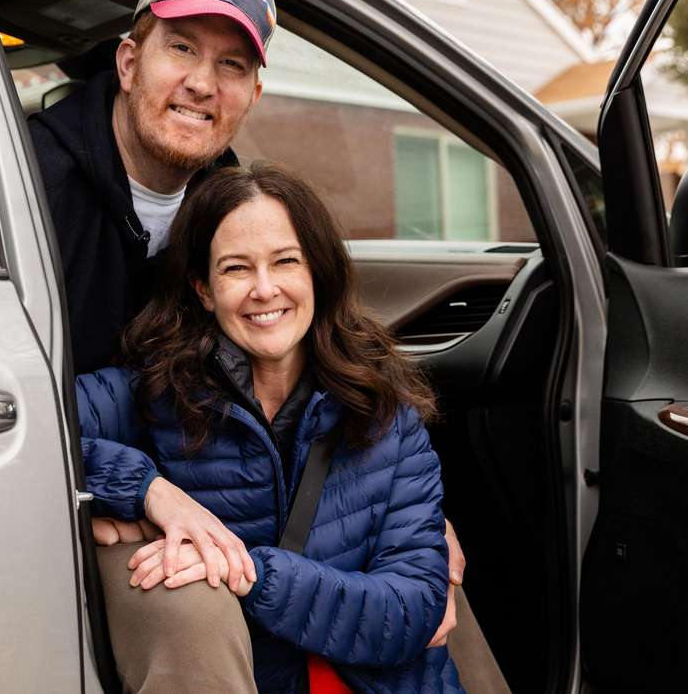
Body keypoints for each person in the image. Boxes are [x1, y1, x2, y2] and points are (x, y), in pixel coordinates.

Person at [30, 0, 499, 692]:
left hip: (217, 523)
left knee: (436, 595)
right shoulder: (25, 190)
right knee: (189, 593)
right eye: (181, 46)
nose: (201, 82)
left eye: (232, 64)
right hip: (61, 487)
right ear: (127, 61)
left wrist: (404, 520)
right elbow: (33, 417)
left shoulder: (227, 199)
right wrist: (139, 492)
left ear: (253, 92)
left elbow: (398, 575)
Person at [77, 163, 464, 693]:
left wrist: (249, 572)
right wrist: (147, 492)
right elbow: (36, 433)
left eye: (286, 261)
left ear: (317, 275)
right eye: (236, 269)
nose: (265, 289)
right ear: (204, 289)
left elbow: (413, 611)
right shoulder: (152, 392)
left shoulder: (385, 414)